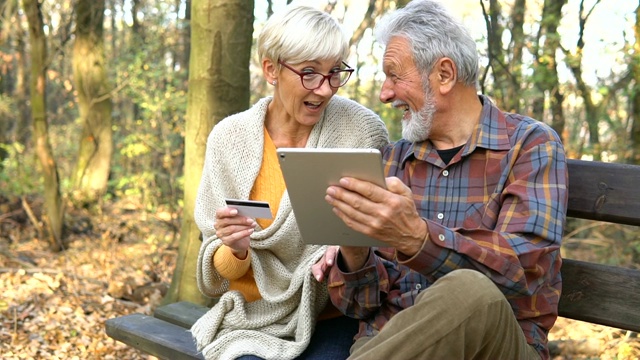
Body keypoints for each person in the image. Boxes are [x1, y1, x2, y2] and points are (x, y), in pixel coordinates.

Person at [311, 1, 569, 359]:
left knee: (469, 289)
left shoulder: (529, 145)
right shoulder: (391, 160)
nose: (384, 94)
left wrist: (416, 238)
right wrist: (354, 249)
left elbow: (524, 271)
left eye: (394, 75)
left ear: (444, 74)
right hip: (390, 344)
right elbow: (361, 307)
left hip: (494, 346)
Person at [189, 3, 389, 360]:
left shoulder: (363, 131)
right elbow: (217, 270)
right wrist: (235, 249)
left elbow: (384, 239)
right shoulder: (228, 139)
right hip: (250, 318)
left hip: (333, 315)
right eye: (309, 73)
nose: (325, 89)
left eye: (334, 73)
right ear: (271, 69)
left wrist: (350, 247)